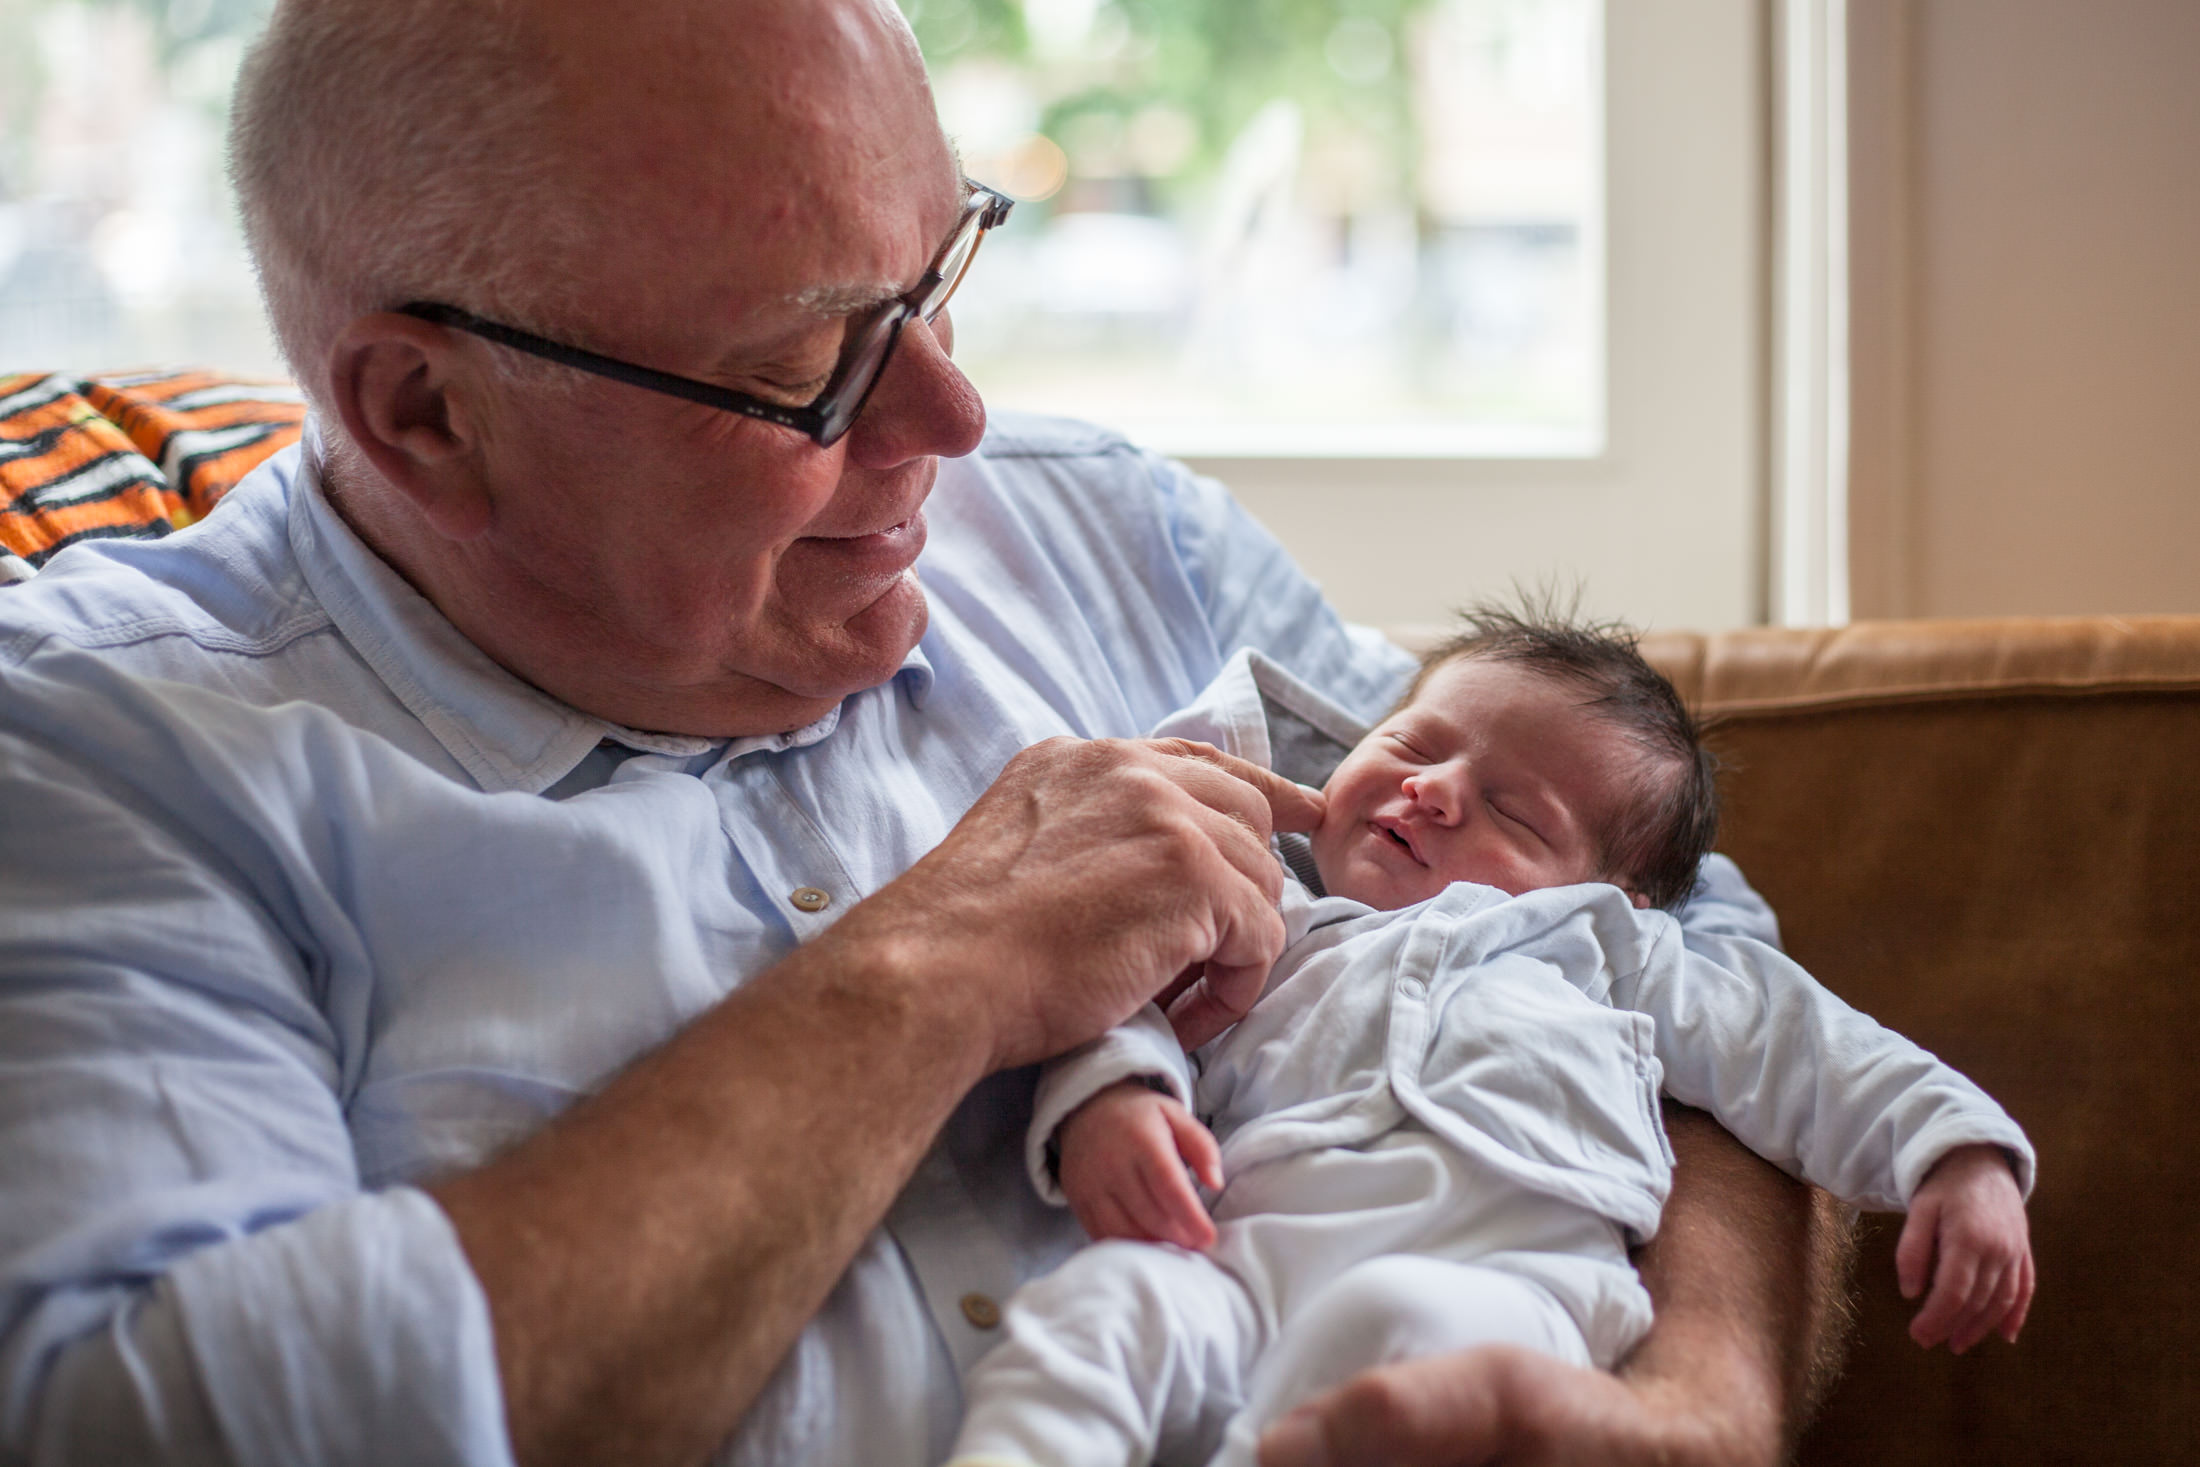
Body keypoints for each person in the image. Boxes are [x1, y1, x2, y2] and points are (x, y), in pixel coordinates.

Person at [0, 1, 1846, 1463]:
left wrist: (1697, 1404)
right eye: (813, 365)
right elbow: (140, 1420)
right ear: (424, 414)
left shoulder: (1126, 545)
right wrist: (932, 969)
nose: (955, 418)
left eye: (940, 271)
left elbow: (1680, 928)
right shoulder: (105, 761)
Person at [945, 620, 2036, 1467]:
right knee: (1102, 1309)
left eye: (1514, 814)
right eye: (1412, 745)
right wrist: (1115, 1101)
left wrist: (1955, 1154)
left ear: (1619, 896)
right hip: (1244, 1263)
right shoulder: (1263, 915)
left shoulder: (1616, 957)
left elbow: (1804, 1047)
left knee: (1395, 1325)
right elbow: (1113, 997)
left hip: (1506, 1290)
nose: (1434, 788)